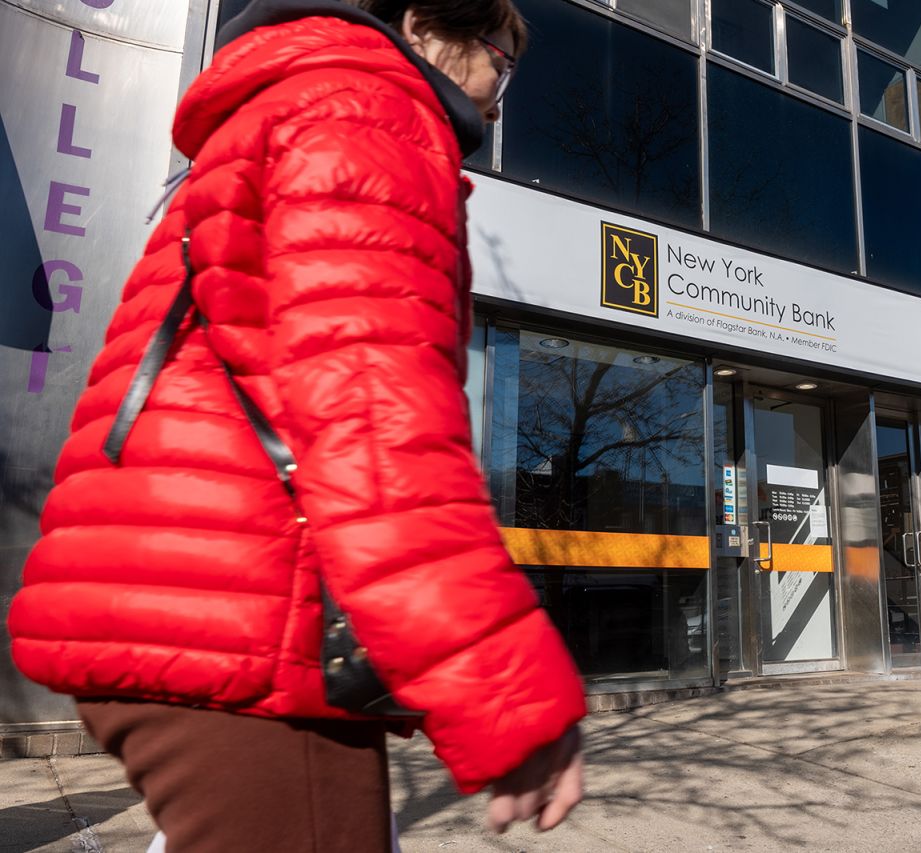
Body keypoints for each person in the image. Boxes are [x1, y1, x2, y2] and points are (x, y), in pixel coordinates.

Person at [8, 1, 586, 850]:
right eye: (502, 61)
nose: (502, 97)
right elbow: (376, 417)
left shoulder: (285, 102)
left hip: (177, 599)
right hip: (246, 623)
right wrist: (499, 688)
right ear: (426, 25)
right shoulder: (368, 112)